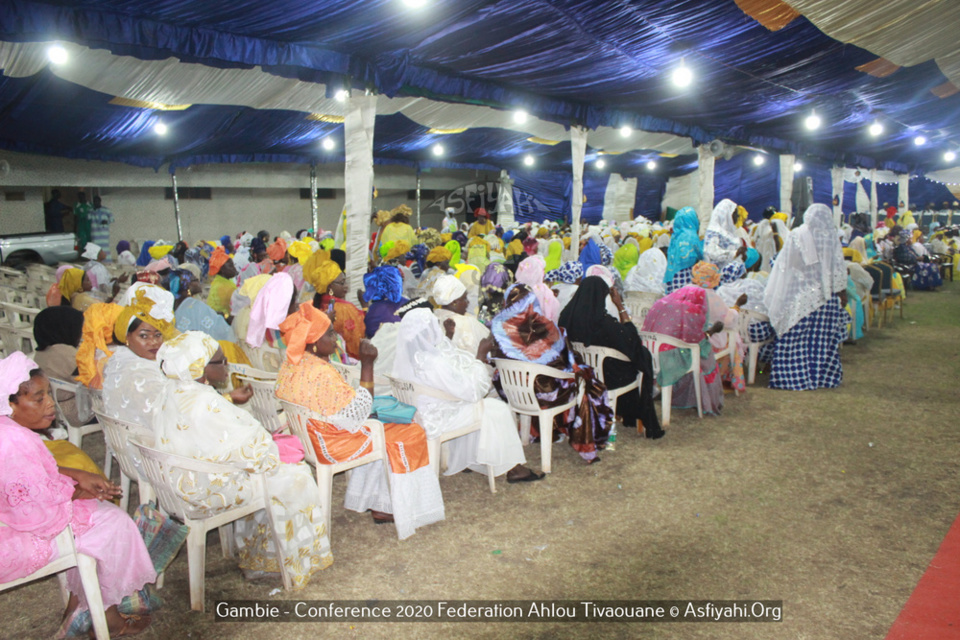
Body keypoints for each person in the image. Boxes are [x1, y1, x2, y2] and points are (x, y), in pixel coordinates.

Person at [156, 332, 332, 586]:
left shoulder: (172, 390)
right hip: (206, 490)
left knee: (273, 470)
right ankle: (284, 560)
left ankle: (261, 557)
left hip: (179, 484)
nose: (227, 365)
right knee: (294, 476)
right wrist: (270, 446)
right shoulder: (206, 401)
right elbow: (256, 453)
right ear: (200, 367)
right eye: (221, 362)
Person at [0, 352, 157, 637]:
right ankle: (106, 617)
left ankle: (81, 605)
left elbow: (36, 474)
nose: (50, 404)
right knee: (113, 524)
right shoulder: (13, 441)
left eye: (48, 395)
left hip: (13, 523)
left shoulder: (7, 430)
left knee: (102, 517)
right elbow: (39, 513)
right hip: (15, 539)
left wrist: (77, 476)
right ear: (10, 404)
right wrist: (78, 491)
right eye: (38, 399)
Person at [274, 303, 444, 538]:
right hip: (333, 443)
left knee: (386, 424)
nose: (336, 338)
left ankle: (377, 500)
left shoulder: (294, 363)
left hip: (311, 438)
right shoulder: (320, 372)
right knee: (410, 431)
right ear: (313, 343)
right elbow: (360, 413)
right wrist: (367, 364)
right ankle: (398, 507)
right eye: (330, 334)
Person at [392, 308, 542, 482]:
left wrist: (449, 338)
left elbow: (447, 380)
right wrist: (480, 355)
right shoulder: (432, 362)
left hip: (419, 416)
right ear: (427, 334)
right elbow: (473, 391)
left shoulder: (409, 359)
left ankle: (470, 460)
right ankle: (514, 468)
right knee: (498, 408)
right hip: (439, 418)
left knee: (481, 407)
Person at [491, 284, 613, 463]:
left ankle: (537, 430)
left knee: (559, 377)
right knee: (588, 383)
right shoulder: (545, 327)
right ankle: (585, 444)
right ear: (531, 302)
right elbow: (564, 362)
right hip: (545, 394)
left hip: (513, 391)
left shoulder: (499, 327)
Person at [559, 277, 664, 437]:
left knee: (635, 357)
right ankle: (636, 413)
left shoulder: (566, 317)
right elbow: (632, 339)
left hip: (579, 374)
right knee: (642, 357)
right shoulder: (602, 322)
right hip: (607, 377)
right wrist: (620, 306)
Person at [764, 204, 848, 390]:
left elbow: (787, 263)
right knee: (822, 342)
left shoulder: (798, 234)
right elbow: (838, 268)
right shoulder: (831, 237)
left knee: (795, 339)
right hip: (828, 299)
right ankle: (822, 378)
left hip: (802, 296)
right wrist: (840, 291)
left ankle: (795, 378)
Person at [102, 284, 182, 432]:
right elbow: (170, 420)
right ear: (126, 336)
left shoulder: (121, 359)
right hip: (146, 443)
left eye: (158, 335)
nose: (153, 342)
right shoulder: (141, 372)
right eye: (144, 336)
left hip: (129, 438)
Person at [642, 285, 727, 415]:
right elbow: (697, 341)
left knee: (688, 351)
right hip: (668, 361)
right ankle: (708, 401)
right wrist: (711, 332)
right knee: (706, 355)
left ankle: (672, 392)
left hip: (648, 356)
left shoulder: (661, 303)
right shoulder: (690, 310)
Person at [310, 260, 365, 359]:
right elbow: (359, 340)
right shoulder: (345, 308)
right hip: (345, 360)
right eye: (342, 283)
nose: (346, 286)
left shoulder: (315, 305)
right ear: (330, 286)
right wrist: (365, 306)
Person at [432, 274, 491, 355]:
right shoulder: (468, 322)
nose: (468, 302)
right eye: (464, 298)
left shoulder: (431, 319)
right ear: (454, 302)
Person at [664, 206, 704, 293]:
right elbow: (701, 255)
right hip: (686, 278)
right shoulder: (692, 235)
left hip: (673, 276)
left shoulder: (676, 235)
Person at [704, 199, 748, 272]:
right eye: (735, 214)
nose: (736, 217)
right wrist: (734, 253)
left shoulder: (730, 232)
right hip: (718, 274)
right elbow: (710, 251)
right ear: (726, 214)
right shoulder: (713, 231)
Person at [515, 255, 560, 323]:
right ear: (540, 272)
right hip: (540, 328)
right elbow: (554, 311)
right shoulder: (546, 292)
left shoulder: (514, 289)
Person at [207, 248, 238, 317]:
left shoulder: (218, 281)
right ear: (222, 269)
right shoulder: (225, 287)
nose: (234, 269)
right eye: (231, 266)